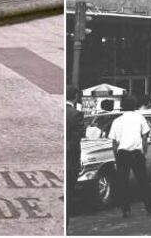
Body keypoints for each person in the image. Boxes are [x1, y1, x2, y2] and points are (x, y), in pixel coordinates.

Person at [108, 94, 151, 218]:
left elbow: (114, 142)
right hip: (136, 153)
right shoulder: (140, 118)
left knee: (123, 182)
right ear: (134, 105)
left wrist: (116, 157)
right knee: (143, 181)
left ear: (122, 106)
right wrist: (144, 152)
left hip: (122, 153)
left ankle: (125, 210)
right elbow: (145, 137)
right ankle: (149, 208)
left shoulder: (117, 121)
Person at [66, 86, 85, 224]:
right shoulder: (76, 114)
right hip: (70, 162)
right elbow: (76, 139)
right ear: (76, 97)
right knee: (69, 193)